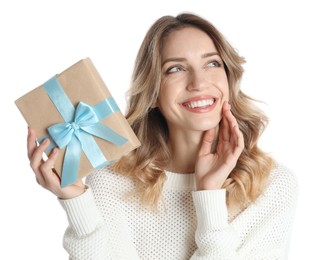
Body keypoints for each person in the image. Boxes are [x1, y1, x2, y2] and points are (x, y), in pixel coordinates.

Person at [27, 13, 298, 259]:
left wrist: (209, 195)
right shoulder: (110, 182)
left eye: (212, 63)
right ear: (153, 93)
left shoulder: (272, 186)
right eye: (175, 69)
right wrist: (77, 204)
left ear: (229, 78)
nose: (198, 82)